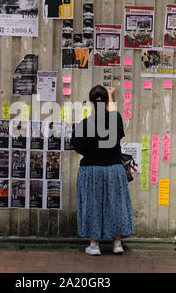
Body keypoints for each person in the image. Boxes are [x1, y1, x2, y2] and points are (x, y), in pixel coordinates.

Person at [72, 85, 134, 256]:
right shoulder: (116, 119)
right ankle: (117, 243)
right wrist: (110, 95)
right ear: (107, 102)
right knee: (116, 204)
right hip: (114, 169)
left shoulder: (84, 124)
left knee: (93, 205)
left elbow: (78, 149)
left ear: (91, 102)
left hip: (91, 170)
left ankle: (94, 246)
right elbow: (112, 114)